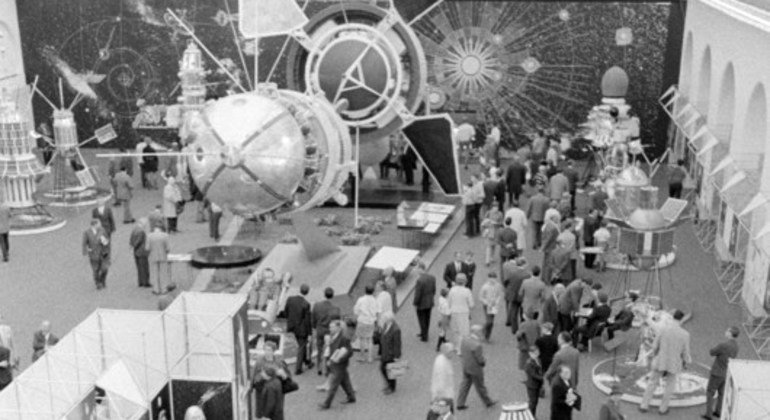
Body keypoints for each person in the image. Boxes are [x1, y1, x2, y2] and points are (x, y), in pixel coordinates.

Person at [639, 310, 692, 415]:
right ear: (681, 319)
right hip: (674, 362)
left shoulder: (663, 329)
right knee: (670, 386)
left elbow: (655, 346)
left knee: (652, 383)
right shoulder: (685, 334)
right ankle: (663, 409)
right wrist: (686, 361)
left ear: (672, 317)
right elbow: (686, 352)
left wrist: (655, 355)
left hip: (660, 360)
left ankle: (644, 405)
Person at [702, 326, 740, 419]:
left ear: (730, 333)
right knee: (721, 393)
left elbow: (712, 352)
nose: (726, 331)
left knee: (710, 392)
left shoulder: (723, 345)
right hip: (726, 373)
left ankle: (708, 414)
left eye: (727, 330)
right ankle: (718, 412)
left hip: (717, 372)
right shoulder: (736, 346)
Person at [456, 325, 497, 410]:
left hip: (466, 366)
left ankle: (460, 403)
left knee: (465, 384)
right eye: (481, 332)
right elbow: (480, 360)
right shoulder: (477, 345)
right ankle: (488, 401)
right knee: (480, 386)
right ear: (477, 332)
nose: (482, 333)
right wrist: (484, 361)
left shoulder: (464, 340)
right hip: (475, 369)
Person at [319, 320, 356, 409]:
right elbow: (329, 350)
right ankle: (351, 397)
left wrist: (340, 357)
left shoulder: (343, 338)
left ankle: (326, 403)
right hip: (334, 364)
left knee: (333, 385)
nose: (330, 329)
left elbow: (350, 351)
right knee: (345, 382)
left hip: (339, 365)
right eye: (330, 327)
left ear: (338, 328)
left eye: (332, 327)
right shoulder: (332, 337)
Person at [285, 284, 314, 374]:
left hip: (292, 326)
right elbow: (307, 320)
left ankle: (307, 361)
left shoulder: (290, 299)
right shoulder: (306, 304)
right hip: (302, 329)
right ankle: (298, 368)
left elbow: (286, 311)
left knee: (302, 345)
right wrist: (309, 333)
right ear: (307, 292)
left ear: (299, 289)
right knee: (301, 347)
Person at [312, 287, 341, 375]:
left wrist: (314, 327)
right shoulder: (336, 308)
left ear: (324, 294)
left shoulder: (317, 305)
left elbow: (313, 317)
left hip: (320, 329)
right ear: (333, 295)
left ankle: (319, 367)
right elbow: (337, 322)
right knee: (329, 349)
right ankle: (328, 367)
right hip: (329, 331)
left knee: (319, 348)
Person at [447, 275, 474, 349]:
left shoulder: (452, 290)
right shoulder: (467, 291)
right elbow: (471, 305)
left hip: (453, 312)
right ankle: (461, 348)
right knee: (464, 331)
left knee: (455, 330)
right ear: (465, 282)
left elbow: (448, 303)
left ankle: (456, 346)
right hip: (464, 313)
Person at [82, 219, 111, 290]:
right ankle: (98, 283)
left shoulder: (102, 230)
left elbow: (107, 239)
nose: (100, 225)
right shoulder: (87, 232)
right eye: (99, 224)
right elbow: (84, 243)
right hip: (94, 254)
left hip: (103, 253)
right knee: (96, 270)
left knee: (105, 269)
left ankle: (102, 280)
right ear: (94, 225)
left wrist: (105, 241)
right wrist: (86, 250)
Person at [503, 257, 529, 333]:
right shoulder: (527, 274)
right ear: (523, 265)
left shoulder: (512, 272)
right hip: (522, 295)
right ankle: (523, 326)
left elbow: (506, 281)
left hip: (513, 294)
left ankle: (514, 329)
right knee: (522, 311)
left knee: (514, 311)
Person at [353, 285, 378, 363]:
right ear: (373, 291)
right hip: (371, 322)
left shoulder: (361, 300)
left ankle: (362, 357)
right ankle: (370, 358)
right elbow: (377, 311)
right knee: (370, 339)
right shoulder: (375, 300)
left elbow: (356, 310)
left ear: (365, 290)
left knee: (362, 339)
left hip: (362, 321)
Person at [379, 312, 402, 394]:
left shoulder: (396, 329)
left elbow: (397, 344)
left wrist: (397, 356)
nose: (383, 319)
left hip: (391, 354)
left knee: (390, 371)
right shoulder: (386, 325)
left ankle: (392, 387)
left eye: (384, 318)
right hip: (385, 352)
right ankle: (389, 384)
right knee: (383, 368)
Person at [413, 261, 436, 342]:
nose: (416, 270)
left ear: (420, 269)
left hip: (421, 303)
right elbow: (434, 290)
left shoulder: (419, 280)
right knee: (427, 318)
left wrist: (415, 303)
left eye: (417, 268)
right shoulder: (432, 277)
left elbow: (417, 294)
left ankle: (424, 336)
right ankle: (424, 332)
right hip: (429, 301)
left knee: (421, 319)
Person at [431, 343, 456, 411]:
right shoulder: (442, 364)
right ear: (448, 352)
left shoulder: (441, 358)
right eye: (452, 352)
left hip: (445, 395)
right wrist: (439, 398)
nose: (453, 354)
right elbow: (441, 382)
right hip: (444, 396)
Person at [479, 272, 502, 341]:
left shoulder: (498, 286)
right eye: (491, 278)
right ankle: (482, 331)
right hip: (487, 306)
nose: (493, 280)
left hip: (494, 306)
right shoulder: (485, 286)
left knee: (491, 322)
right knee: (489, 321)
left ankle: (487, 336)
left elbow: (499, 295)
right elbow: (481, 297)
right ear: (488, 278)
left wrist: (497, 302)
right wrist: (486, 302)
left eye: (494, 278)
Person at [147, 225, 170, 294]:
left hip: (153, 256)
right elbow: (168, 248)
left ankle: (156, 289)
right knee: (163, 272)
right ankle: (164, 289)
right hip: (163, 256)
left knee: (154, 273)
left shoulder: (149, 236)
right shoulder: (165, 235)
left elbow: (147, 248)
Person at [523, 345, 544, 417]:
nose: (537, 354)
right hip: (532, 385)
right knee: (532, 402)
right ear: (530, 353)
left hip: (537, 385)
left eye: (537, 352)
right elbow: (533, 375)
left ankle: (533, 415)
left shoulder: (538, 360)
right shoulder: (529, 364)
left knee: (535, 402)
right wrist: (543, 378)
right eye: (534, 353)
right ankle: (529, 416)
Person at [129, 218, 151, 288]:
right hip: (142, 251)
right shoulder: (141, 231)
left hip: (136, 251)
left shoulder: (134, 230)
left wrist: (132, 246)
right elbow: (139, 241)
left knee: (139, 267)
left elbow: (131, 240)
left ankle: (140, 281)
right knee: (144, 267)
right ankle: (145, 282)